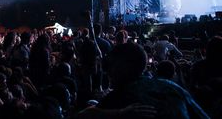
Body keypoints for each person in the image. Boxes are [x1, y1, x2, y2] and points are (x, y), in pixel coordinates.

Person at [76, 43, 209, 119]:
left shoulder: (120, 97)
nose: (108, 72)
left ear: (121, 67)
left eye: (112, 66)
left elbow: (81, 116)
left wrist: (118, 113)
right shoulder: (174, 88)